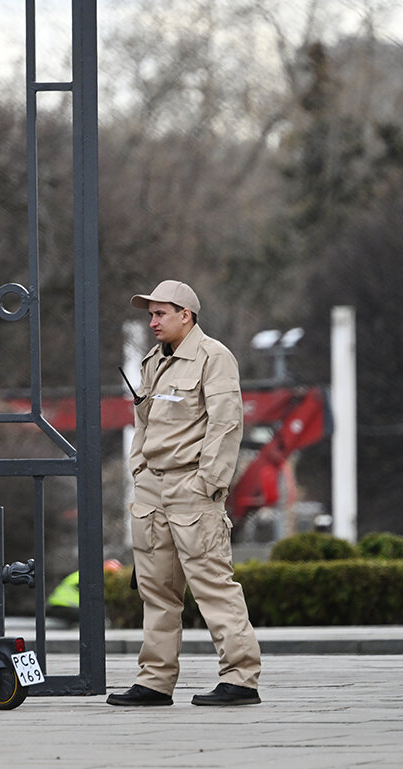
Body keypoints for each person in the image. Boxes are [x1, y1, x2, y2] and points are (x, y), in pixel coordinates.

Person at [107, 279, 262, 707]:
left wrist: (208, 482)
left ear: (185, 315)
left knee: (213, 585)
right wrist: (139, 469)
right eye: (150, 314)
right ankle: (155, 682)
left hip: (192, 487)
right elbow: (143, 423)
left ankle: (241, 678)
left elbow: (226, 424)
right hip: (152, 489)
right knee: (156, 591)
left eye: (160, 313)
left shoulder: (215, 357)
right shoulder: (153, 360)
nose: (153, 322)